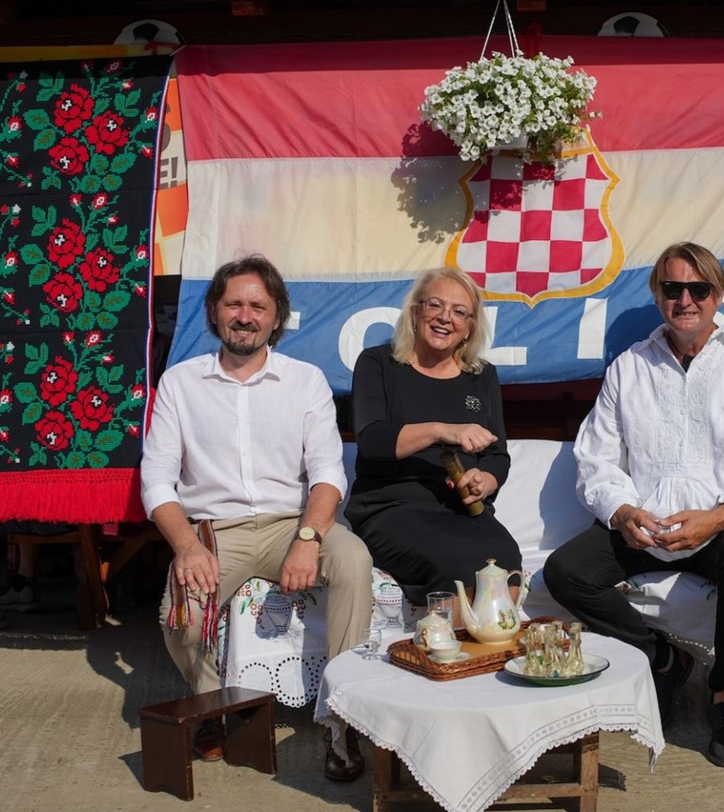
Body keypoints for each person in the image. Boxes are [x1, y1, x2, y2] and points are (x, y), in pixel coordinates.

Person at [544, 243, 724, 769]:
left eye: (698, 289)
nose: (685, 299)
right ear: (657, 294)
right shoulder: (630, 367)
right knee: (564, 571)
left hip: (718, 526)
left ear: (718, 294)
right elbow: (595, 459)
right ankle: (664, 657)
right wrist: (623, 512)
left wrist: (720, 515)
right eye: (672, 289)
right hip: (648, 526)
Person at [140, 254, 375, 781]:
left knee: (354, 559)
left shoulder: (305, 380)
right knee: (177, 616)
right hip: (215, 533)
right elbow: (156, 479)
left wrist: (310, 538)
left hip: (293, 522)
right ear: (214, 311)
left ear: (276, 317)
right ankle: (211, 705)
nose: (245, 316)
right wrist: (187, 547)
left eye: (257, 306)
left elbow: (328, 473)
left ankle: (344, 719)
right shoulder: (180, 383)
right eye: (234, 304)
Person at [346, 268, 521, 606]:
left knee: (506, 561)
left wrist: (483, 480)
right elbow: (372, 440)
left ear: (470, 325)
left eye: (459, 312)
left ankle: (489, 655)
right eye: (435, 306)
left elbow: (497, 456)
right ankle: (446, 655)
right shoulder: (378, 363)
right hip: (391, 509)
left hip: (462, 510)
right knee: (458, 565)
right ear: (415, 312)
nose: (445, 318)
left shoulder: (482, 376)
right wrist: (443, 430)